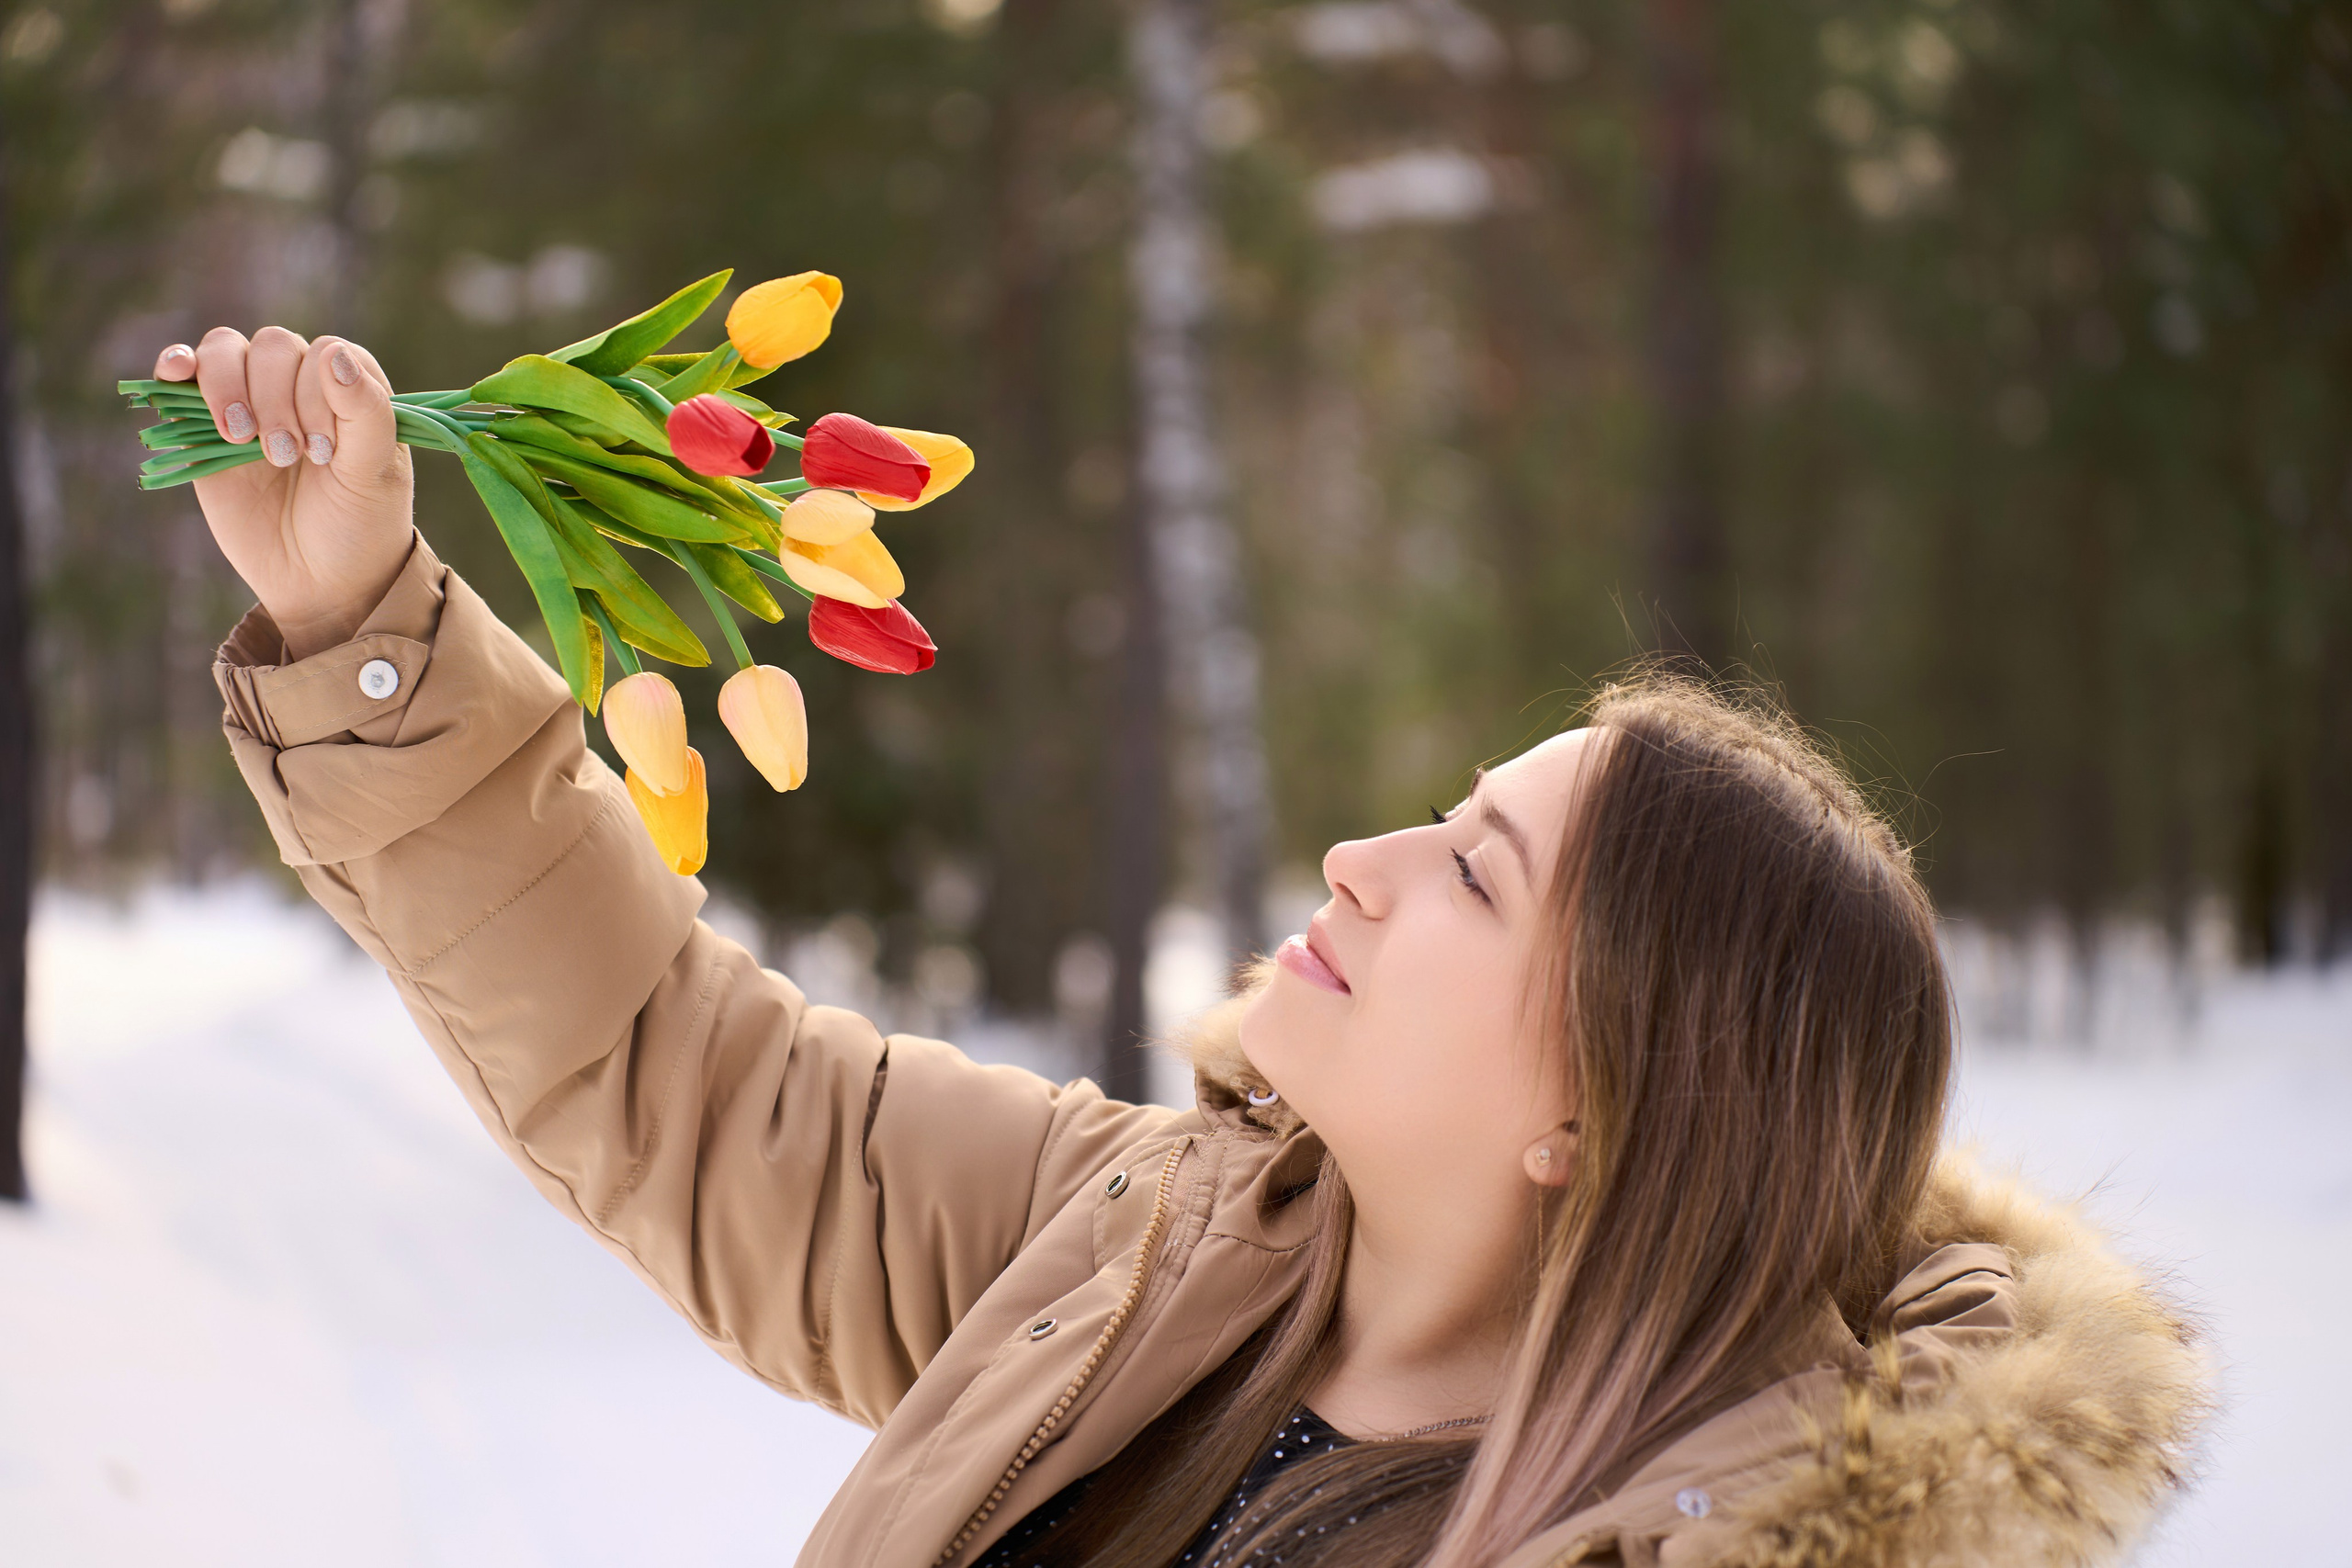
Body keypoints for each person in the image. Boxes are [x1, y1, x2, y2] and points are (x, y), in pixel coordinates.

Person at [156, 327, 2210, 1568]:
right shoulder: (1141, 1236)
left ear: (1595, 1113)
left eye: (1473, 872)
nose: (1359, 857)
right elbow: (686, 1082)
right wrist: (366, 626)